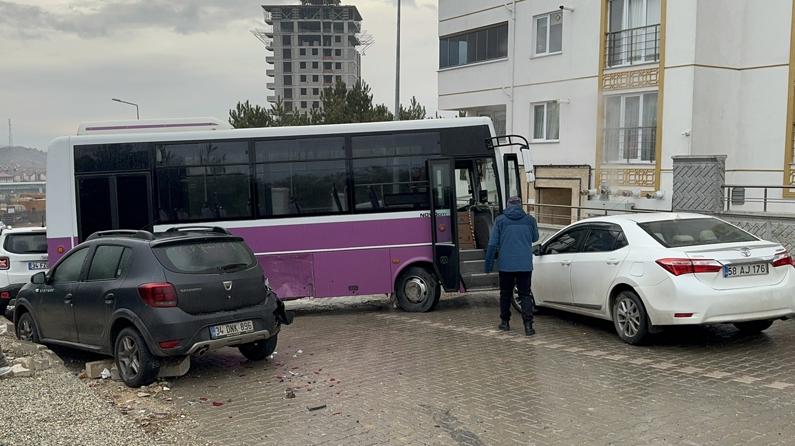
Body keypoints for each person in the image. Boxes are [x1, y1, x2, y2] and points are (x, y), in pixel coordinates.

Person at [484, 196, 540, 336]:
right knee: (525, 294)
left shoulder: (500, 220)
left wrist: (488, 264)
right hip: (525, 265)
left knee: (505, 294)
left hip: (506, 265)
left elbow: (492, 244)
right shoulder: (530, 220)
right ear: (520, 205)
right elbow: (535, 238)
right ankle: (528, 326)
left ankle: (505, 323)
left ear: (508, 205)